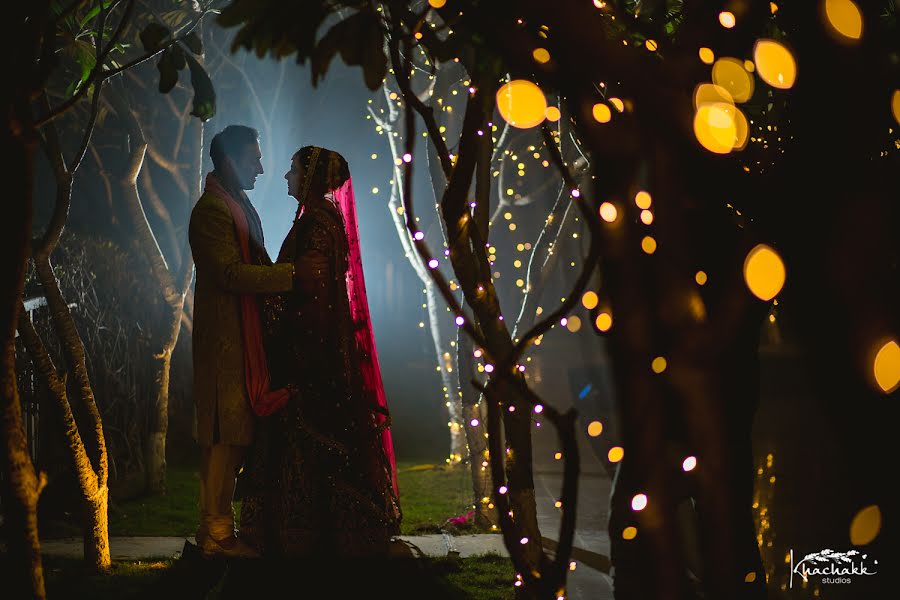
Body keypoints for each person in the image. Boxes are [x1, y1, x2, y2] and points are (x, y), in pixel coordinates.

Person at [239, 146, 401, 557]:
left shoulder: (316, 223)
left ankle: (307, 535)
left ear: (309, 178)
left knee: (309, 438)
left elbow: (311, 291)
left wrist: (286, 337)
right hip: (318, 350)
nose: (285, 176)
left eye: (292, 169)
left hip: (309, 354)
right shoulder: (322, 219)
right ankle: (318, 534)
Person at [188, 126, 326, 558]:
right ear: (229, 161)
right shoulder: (213, 210)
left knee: (234, 436)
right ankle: (215, 534)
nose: (262, 168)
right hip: (225, 343)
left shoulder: (235, 204)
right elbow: (228, 274)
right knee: (223, 437)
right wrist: (291, 275)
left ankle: (218, 531)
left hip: (242, 340)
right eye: (253, 159)